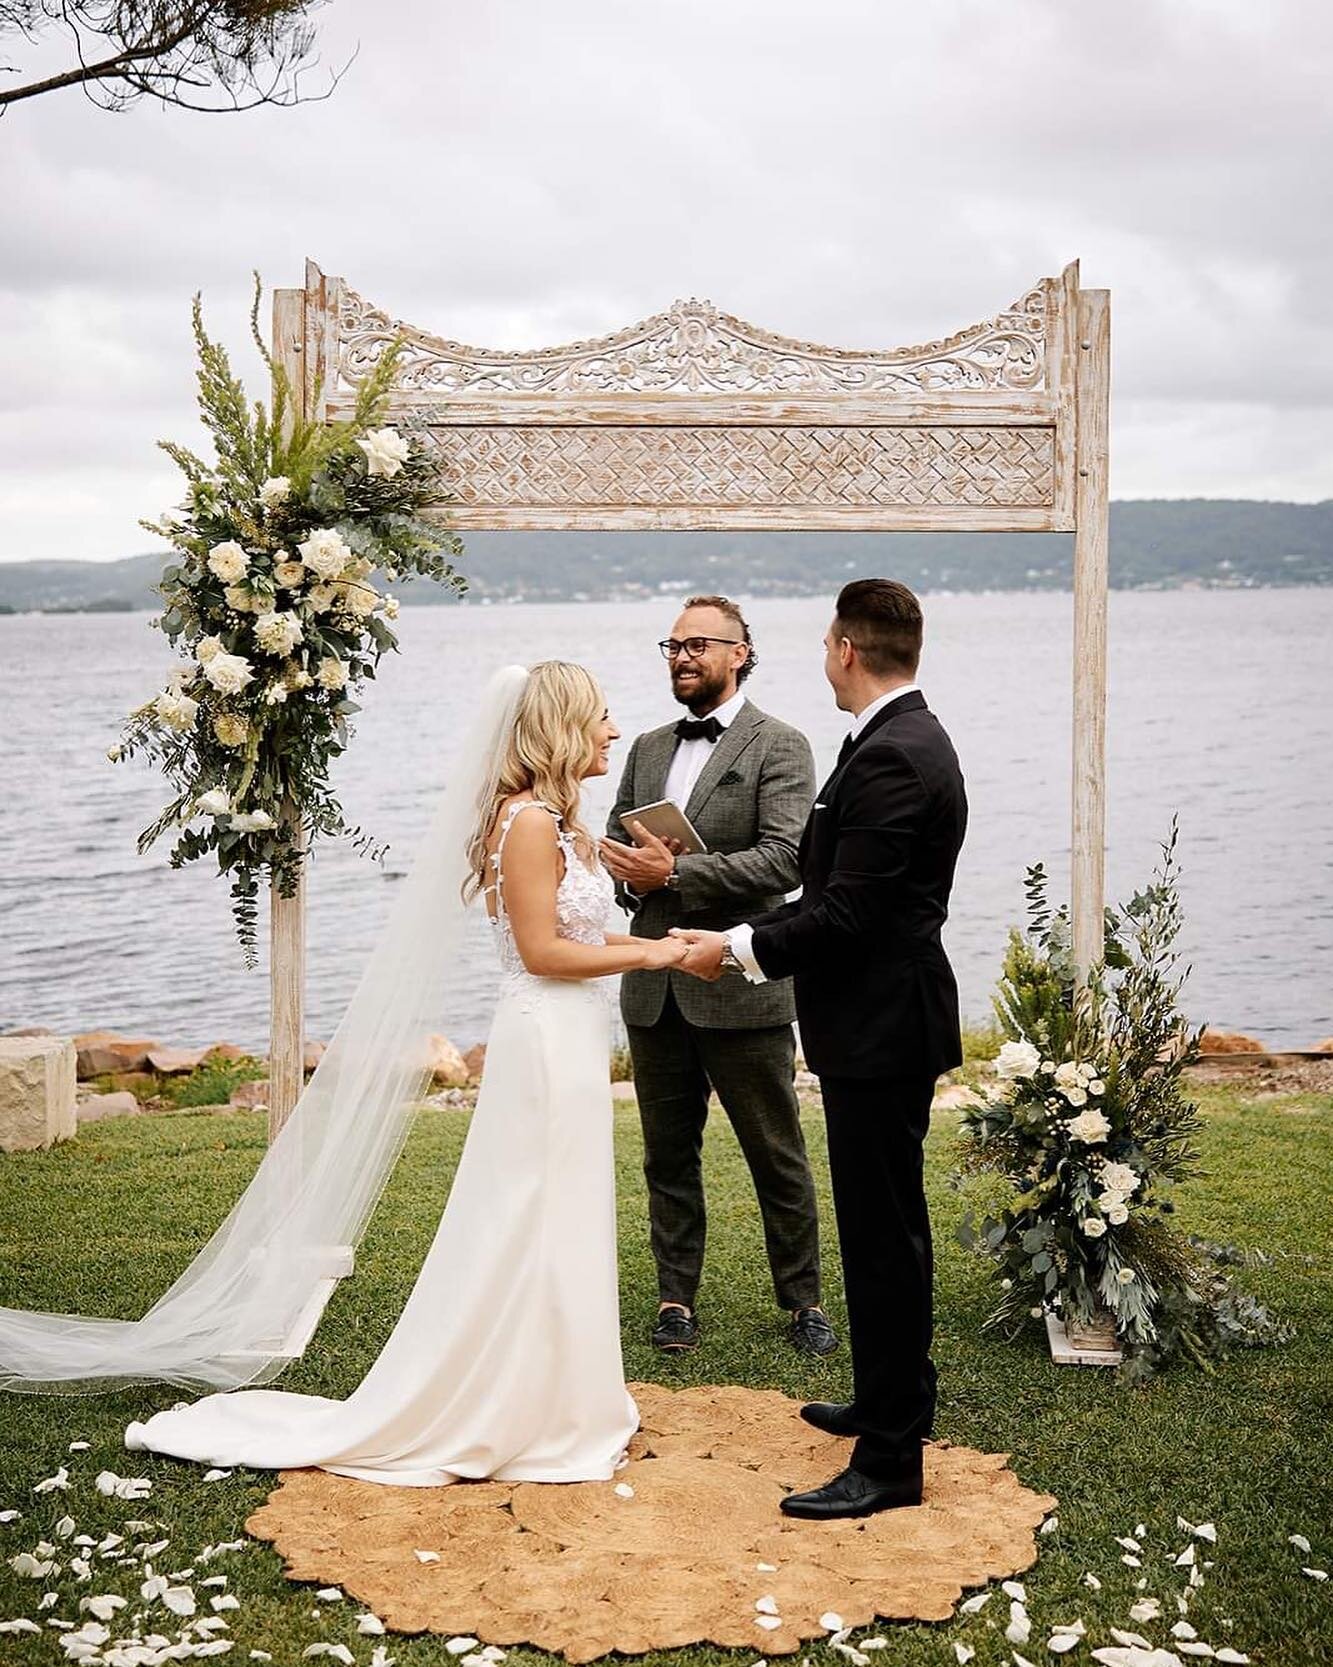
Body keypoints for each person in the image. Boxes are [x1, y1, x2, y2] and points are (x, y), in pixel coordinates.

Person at [121, 662, 688, 1485]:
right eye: (600, 717)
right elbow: (542, 952)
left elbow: (578, 941)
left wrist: (649, 936)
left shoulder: (557, 821)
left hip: (567, 1033)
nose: (611, 731)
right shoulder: (526, 822)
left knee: (558, 1213)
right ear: (563, 726)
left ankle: (558, 1392)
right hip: (542, 1033)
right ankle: (508, 1402)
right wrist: (658, 954)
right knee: (527, 1212)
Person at [673, 580, 967, 1519]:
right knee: (885, 1228)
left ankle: (887, 1460)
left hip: (881, 1028)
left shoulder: (894, 754)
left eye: (824, 643)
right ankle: (893, 1400)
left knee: (881, 1241)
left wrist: (740, 947)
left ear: (845, 646)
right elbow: (838, 888)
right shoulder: (896, 738)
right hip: (877, 1022)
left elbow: (848, 911)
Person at [599, 596, 834, 1358]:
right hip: (653, 988)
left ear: (741, 652)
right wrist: (634, 881)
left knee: (775, 1150)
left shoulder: (782, 745)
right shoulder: (642, 747)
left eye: (698, 644)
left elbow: (786, 859)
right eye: (672, 645)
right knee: (666, 1154)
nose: (681, 656)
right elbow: (611, 849)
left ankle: (802, 1300)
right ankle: (675, 1299)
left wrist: (680, 870)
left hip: (741, 981)